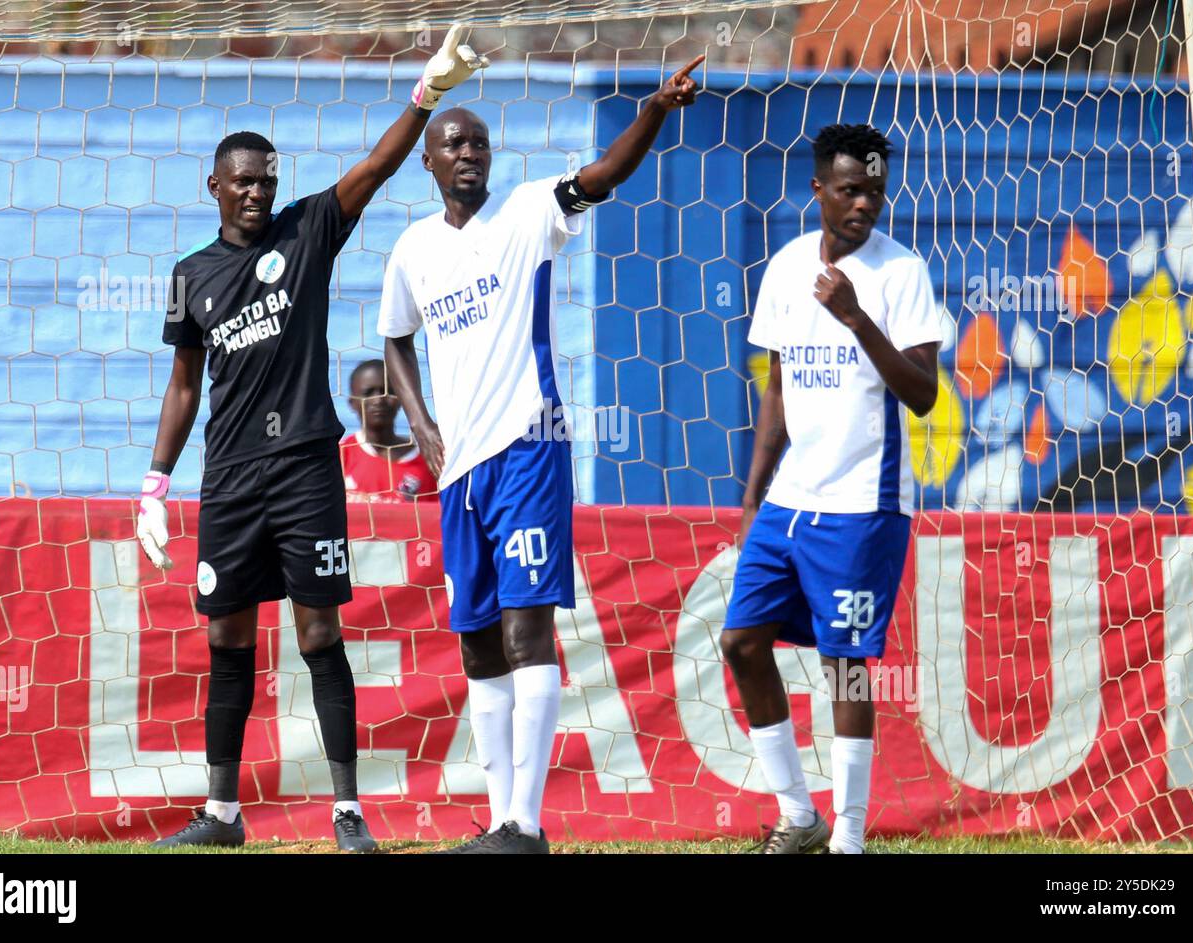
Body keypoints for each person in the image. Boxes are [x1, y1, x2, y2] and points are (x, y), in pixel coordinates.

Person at [134, 27, 487, 851]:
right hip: (228, 477)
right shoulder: (191, 275)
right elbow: (185, 383)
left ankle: (347, 812)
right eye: (244, 184)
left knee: (320, 633)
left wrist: (425, 93)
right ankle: (221, 815)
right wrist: (154, 482)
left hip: (302, 469)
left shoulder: (306, 235)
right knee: (226, 636)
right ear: (214, 185)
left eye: (267, 182)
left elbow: (373, 169)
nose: (257, 195)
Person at [380, 56, 705, 854]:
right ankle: (498, 820)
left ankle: (527, 822)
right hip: (460, 473)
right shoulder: (413, 251)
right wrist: (420, 423)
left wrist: (657, 110)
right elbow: (393, 338)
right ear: (428, 160)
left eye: (480, 145)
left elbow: (602, 174)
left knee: (528, 631)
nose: (468, 154)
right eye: (454, 143)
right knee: (478, 639)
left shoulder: (529, 213)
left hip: (529, 447)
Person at [721, 123, 941, 855]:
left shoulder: (901, 271)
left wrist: (855, 316)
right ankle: (799, 814)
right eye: (850, 190)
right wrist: (754, 494)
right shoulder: (785, 267)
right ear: (818, 189)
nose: (864, 204)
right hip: (789, 499)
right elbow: (778, 388)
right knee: (742, 642)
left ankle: (849, 839)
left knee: (844, 664)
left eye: (875, 191)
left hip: (863, 504)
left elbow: (923, 394)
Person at [339, 359, 435, 503]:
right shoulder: (340, 456)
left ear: (401, 399)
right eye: (368, 393)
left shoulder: (429, 459)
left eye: (388, 392)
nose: (379, 400)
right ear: (352, 403)